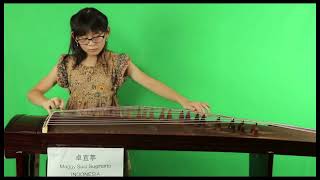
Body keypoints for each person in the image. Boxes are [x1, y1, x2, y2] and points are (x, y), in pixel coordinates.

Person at [27, 7, 210, 176]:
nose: (91, 44)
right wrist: (45, 101)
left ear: (107, 33)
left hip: (109, 129)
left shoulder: (117, 62)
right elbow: (34, 92)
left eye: (97, 36)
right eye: (84, 38)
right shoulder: (67, 63)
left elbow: (149, 82)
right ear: (75, 37)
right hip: (73, 129)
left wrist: (183, 100)